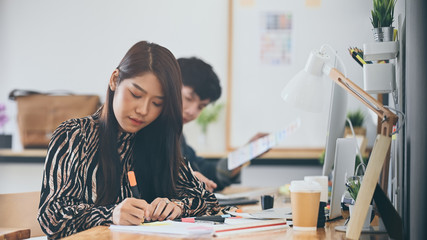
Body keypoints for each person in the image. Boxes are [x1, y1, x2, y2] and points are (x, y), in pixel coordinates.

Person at [37, 41, 220, 239]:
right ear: (115, 80)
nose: (143, 110)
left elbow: (209, 202)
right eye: (136, 94)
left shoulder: (158, 140)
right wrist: (111, 214)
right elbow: (52, 217)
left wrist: (177, 206)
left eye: (157, 103)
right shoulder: (73, 136)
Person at [178, 57, 268, 192]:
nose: (192, 111)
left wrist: (247, 152)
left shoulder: (177, 135)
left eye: (201, 107)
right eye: (189, 98)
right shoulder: (147, 128)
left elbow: (207, 173)